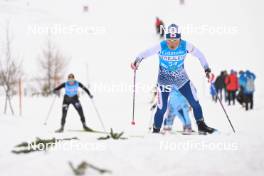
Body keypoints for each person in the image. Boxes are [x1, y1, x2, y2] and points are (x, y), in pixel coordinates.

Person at [131, 24, 216, 134]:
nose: (172, 43)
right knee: (162, 108)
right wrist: (136, 62)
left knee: (194, 101)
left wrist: (207, 70)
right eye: (169, 40)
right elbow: (145, 53)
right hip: (164, 80)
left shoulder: (185, 45)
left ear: (179, 38)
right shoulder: (161, 45)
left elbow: (200, 55)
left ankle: (201, 125)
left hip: (181, 79)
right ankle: (155, 131)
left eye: (175, 40)